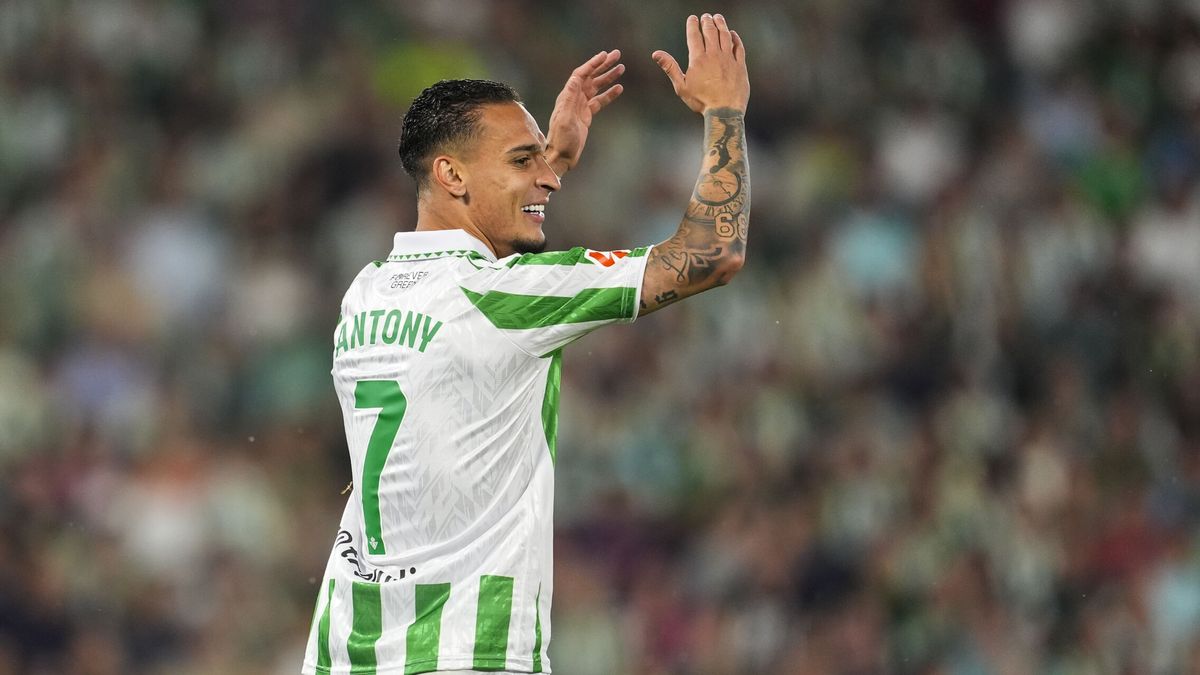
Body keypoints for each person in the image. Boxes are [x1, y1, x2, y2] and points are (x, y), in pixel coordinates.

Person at [302, 13, 749, 675]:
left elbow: (481, 281)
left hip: (348, 652)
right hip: (470, 653)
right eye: (521, 160)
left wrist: (548, 161)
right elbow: (712, 253)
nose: (549, 178)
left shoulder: (366, 291)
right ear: (452, 175)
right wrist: (724, 112)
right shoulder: (501, 298)